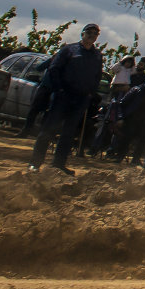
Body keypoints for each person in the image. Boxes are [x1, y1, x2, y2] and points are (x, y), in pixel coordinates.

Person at [29, 23, 105, 175]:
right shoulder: (68, 50)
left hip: (81, 99)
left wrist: (91, 93)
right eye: (89, 32)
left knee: (69, 133)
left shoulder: (97, 56)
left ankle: (58, 164)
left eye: (95, 33)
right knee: (48, 130)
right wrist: (59, 89)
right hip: (63, 96)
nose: (92, 35)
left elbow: (97, 76)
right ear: (82, 34)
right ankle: (35, 164)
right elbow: (54, 69)